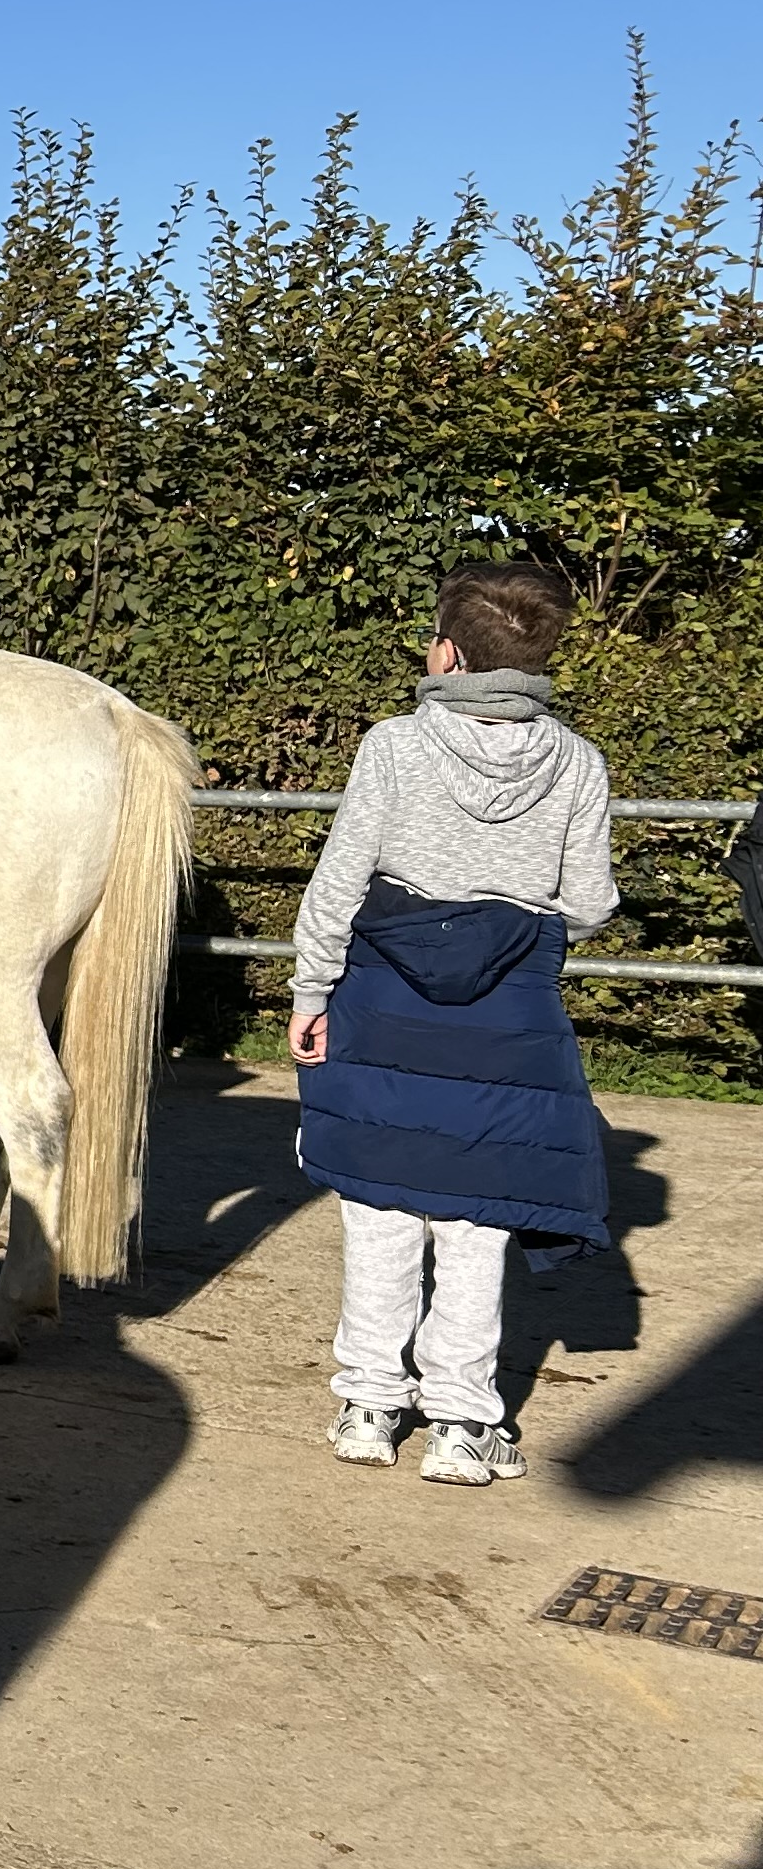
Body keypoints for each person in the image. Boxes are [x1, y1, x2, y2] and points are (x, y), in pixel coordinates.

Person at [291, 561, 619, 1489]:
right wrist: (514, 912)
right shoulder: (579, 762)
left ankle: (366, 1404)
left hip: (381, 999)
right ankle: (463, 1423)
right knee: (480, 1222)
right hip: (507, 1016)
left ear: (446, 650)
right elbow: (590, 901)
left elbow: (339, 881)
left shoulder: (394, 746)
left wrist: (311, 994)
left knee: (379, 1203)